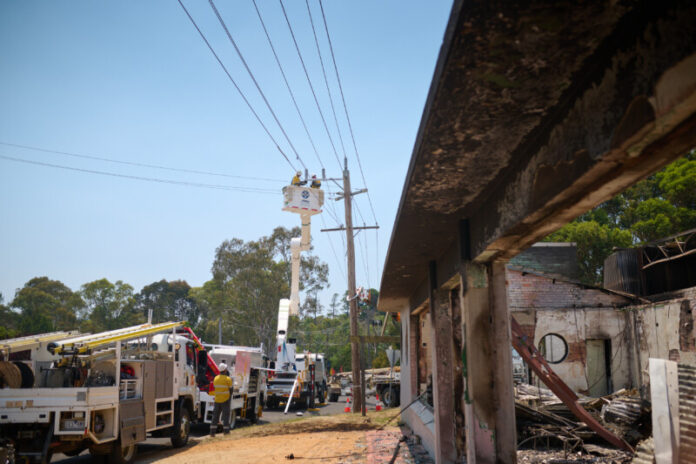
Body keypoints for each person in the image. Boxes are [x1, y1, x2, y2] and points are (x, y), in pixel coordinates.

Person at [210, 362, 234, 436]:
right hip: (225, 400)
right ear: (225, 370)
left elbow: (215, 388)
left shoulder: (215, 378)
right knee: (225, 416)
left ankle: (212, 433)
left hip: (217, 400)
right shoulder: (228, 379)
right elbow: (231, 390)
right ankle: (226, 432)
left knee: (215, 416)